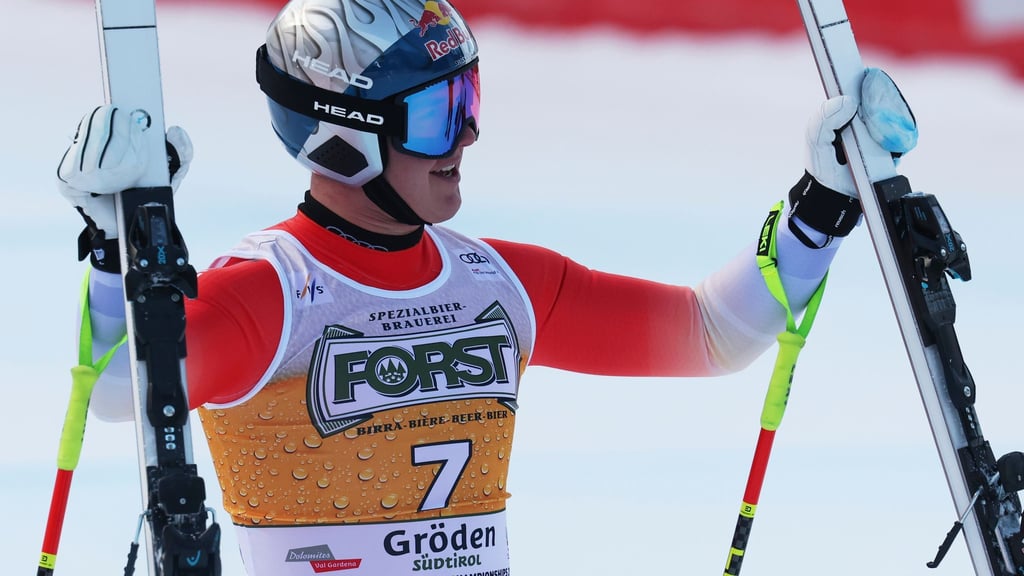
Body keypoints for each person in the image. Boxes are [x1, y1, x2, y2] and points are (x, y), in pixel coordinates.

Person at [55, 0, 918, 574]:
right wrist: (112, 251)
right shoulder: (273, 292)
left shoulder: (497, 283)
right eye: (439, 112)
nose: (469, 132)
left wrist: (820, 204)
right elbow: (131, 392)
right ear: (342, 138)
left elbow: (708, 334)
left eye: (468, 96)